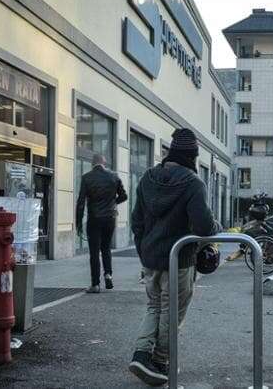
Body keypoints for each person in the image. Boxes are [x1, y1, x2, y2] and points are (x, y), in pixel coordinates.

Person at [128, 128, 218, 385]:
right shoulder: (193, 183)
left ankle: (141, 353)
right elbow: (203, 227)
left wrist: (144, 251)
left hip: (151, 257)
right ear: (192, 155)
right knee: (172, 310)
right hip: (180, 260)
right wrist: (218, 229)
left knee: (154, 305)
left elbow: (136, 221)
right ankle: (160, 361)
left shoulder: (148, 178)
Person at [76, 154, 127, 293]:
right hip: (110, 218)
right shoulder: (114, 176)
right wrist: (112, 203)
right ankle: (108, 274)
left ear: (93, 163)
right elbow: (124, 196)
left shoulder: (87, 177)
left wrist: (78, 223)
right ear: (104, 163)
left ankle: (95, 284)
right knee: (106, 248)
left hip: (94, 218)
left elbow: (80, 202)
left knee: (94, 252)